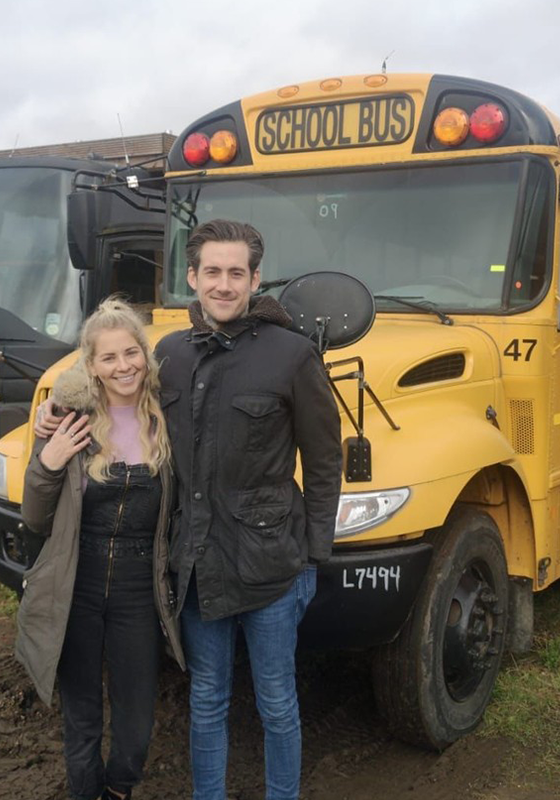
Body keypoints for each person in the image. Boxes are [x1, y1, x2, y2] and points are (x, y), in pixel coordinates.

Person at [157, 219, 342, 800]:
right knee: (207, 698)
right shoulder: (169, 354)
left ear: (255, 279)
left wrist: (312, 556)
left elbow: (323, 460)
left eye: (236, 272)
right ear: (193, 277)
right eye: (212, 271)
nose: (224, 283)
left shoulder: (292, 355)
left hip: (272, 567)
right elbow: (126, 421)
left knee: (277, 702)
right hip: (198, 562)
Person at [17, 297, 183, 800]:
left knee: (135, 721)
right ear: (91, 365)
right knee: (81, 714)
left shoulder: (167, 418)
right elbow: (34, 517)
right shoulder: (71, 421)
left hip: (140, 587)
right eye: (109, 357)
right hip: (78, 581)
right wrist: (47, 463)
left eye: (131, 353)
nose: (123, 366)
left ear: (145, 356)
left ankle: (120, 787)